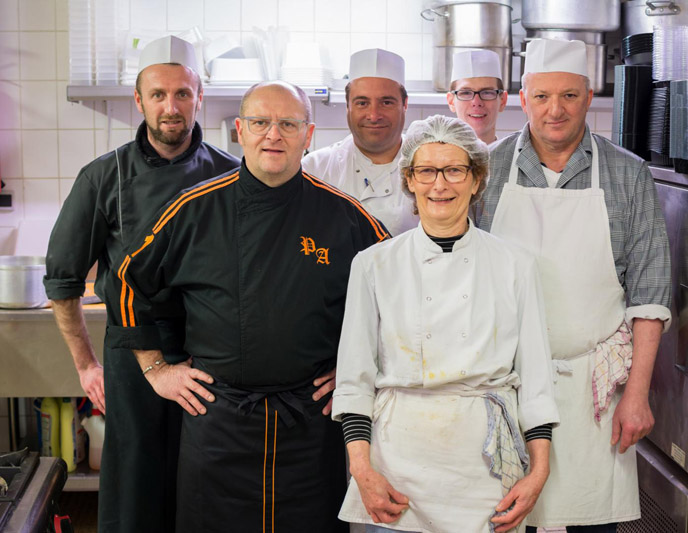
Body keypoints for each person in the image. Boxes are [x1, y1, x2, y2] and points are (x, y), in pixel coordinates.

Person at [113, 81, 389, 532]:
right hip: (216, 421)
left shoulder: (345, 217)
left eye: (287, 124)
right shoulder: (192, 210)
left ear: (309, 133)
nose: (273, 135)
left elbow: (401, 297)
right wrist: (155, 370)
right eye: (260, 122)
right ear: (240, 130)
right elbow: (128, 283)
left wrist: (359, 369)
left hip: (310, 425)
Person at [43, 36, 239, 533]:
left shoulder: (231, 176)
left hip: (211, 355)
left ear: (199, 96)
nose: (170, 107)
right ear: (139, 100)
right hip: (133, 354)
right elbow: (63, 281)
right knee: (134, 485)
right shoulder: (102, 178)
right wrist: (86, 364)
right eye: (158, 95)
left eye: (182, 94)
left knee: (205, 484)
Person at [478, 38, 672, 532]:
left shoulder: (628, 174)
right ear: (523, 100)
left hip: (593, 393)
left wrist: (638, 394)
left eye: (569, 95)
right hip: (505, 387)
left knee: (593, 522)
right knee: (501, 519)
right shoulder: (485, 170)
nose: (555, 109)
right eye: (542, 96)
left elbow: (649, 293)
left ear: (589, 98)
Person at [332, 114, 560, 533]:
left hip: (487, 470)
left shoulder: (515, 265)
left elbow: (537, 379)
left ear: (476, 181)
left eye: (455, 170)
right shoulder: (373, 265)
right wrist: (362, 471)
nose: (440, 184)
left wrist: (539, 471)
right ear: (410, 181)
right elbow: (354, 379)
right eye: (427, 171)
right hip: (398, 465)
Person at [303, 48, 418, 235]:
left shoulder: (428, 168)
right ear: (347, 106)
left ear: (404, 105)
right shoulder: (315, 169)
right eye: (362, 103)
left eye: (386, 102)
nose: (373, 115)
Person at [446, 49, 508, 147]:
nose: (476, 102)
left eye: (487, 93)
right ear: (451, 102)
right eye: (466, 93)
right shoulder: (437, 161)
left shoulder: (514, 160)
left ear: (503, 101)